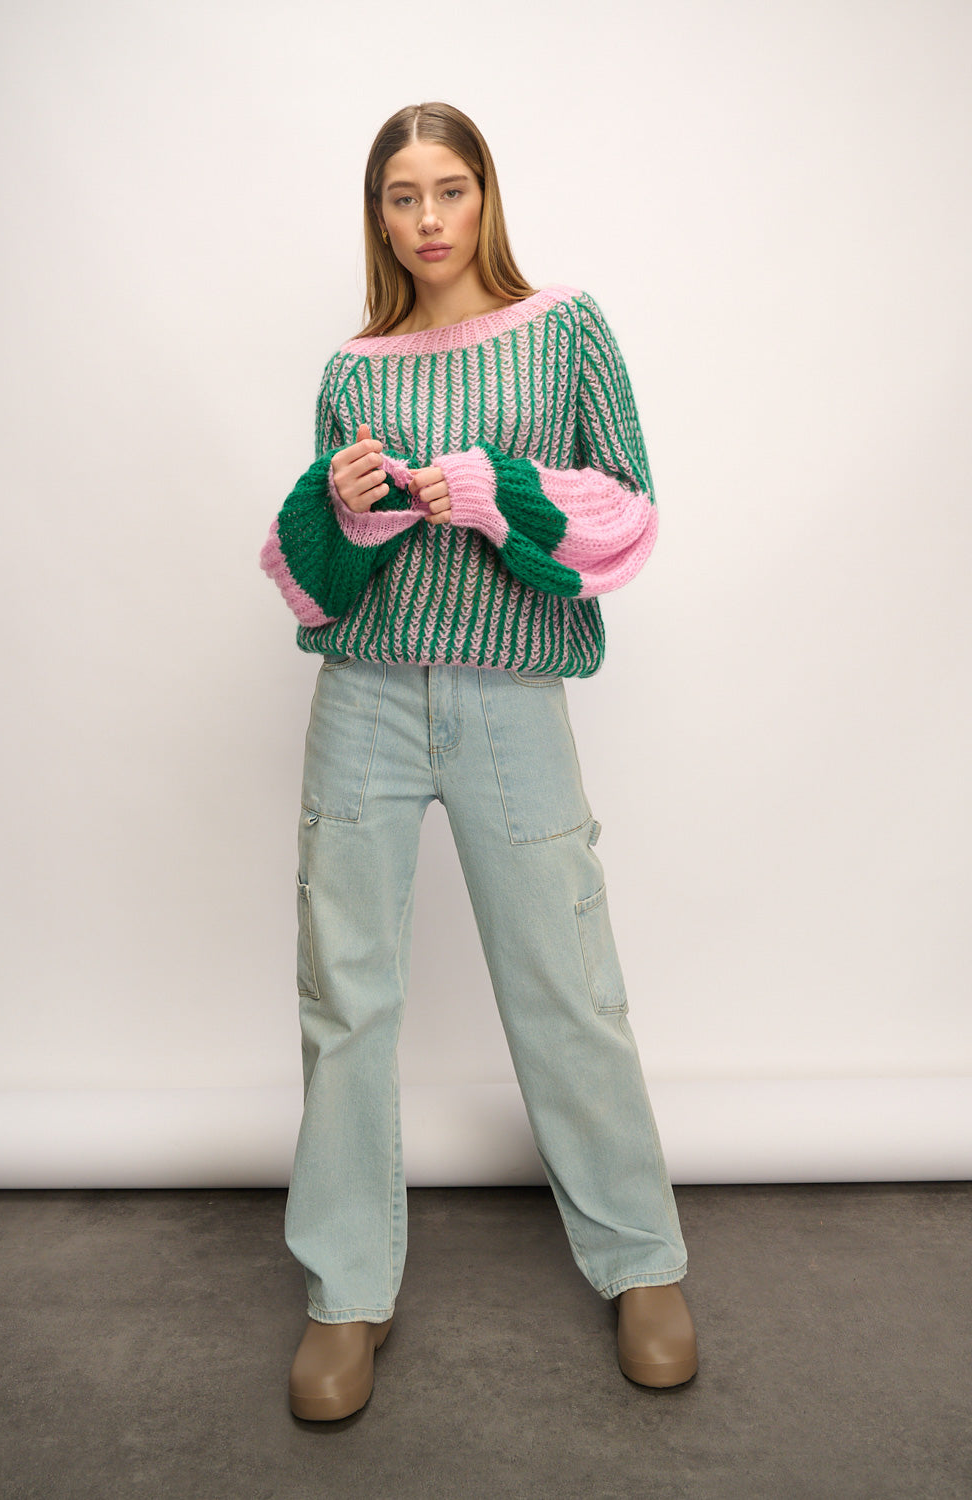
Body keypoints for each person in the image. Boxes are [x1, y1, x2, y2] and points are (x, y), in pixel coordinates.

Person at [260, 100, 698, 1422]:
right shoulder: (353, 368)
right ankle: (346, 1289)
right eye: (402, 196)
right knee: (346, 996)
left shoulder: (564, 329)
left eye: (450, 189)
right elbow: (312, 584)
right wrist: (343, 510)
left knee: (566, 982)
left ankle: (642, 1261)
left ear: (486, 195)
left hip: (510, 696)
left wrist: (500, 490)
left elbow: (630, 510)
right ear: (379, 214)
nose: (429, 218)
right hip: (366, 698)